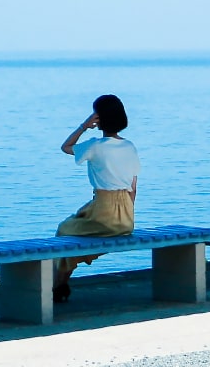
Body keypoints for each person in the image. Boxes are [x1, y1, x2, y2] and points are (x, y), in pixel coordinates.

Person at [53, 93, 138, 302]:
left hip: (104, 211)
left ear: (99, 118)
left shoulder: (95, 146)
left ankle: (58, 285)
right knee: (78, 225)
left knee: (65, 231)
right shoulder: (129, 146)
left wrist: (84, 125)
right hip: (126, 218)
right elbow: (133, 188)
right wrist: (126, 213)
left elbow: (65, 147)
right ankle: (59, 285)